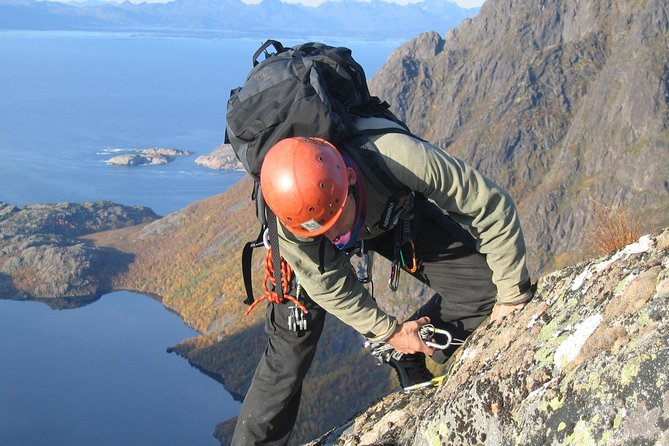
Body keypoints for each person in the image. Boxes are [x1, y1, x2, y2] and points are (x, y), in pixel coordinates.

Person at [231, 116, 533, 445]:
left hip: (388, 210)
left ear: (347, 176)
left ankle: (411, 346)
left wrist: (511, 297)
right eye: (322, 230)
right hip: (323, 236)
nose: (331, 235)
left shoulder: (396, 157)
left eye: (333, 223)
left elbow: (488, 204)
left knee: (485, 291)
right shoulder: (290, 222)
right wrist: (388, 331)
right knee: (286, 357)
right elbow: (330, 288)